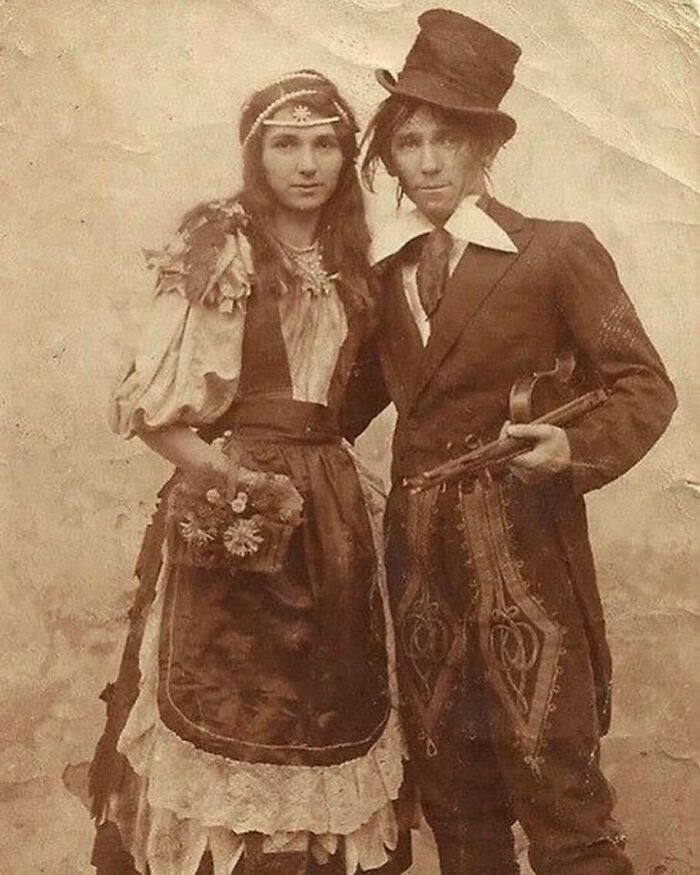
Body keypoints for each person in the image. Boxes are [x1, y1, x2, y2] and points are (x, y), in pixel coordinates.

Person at [342, 10, 677, 875]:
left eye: (446, 141)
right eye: (408, 141)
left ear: (484, 148)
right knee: (455, 800)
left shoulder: (555, 252)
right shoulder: (384, 273)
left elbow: (645, 384)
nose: (425, 163)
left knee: (561, 794)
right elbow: (336, 409)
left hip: (524, 558)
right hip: (418, 565)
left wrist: (573, 450)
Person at [89, 70, 411, 875]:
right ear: (256, 154)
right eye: (286, 144)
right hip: (237, 505)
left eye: (326, 143)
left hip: (333, 514)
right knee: (230, 701)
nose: (308, 163)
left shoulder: (356, 260)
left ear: (346, 156)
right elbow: (157, 412)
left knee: (324, 710)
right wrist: (237, 487)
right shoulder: (222, 245)